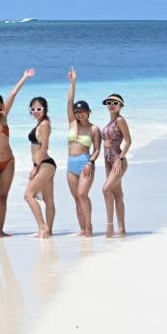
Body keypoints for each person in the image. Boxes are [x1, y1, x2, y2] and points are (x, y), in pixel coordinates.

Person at [0, 69, 35, 238]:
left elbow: (13, 93)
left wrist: (24, 76)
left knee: (3, 196)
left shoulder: (3, 117)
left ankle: (0, 230)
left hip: (9, 161)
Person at [65, 68, 101, 237]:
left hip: (85, 163)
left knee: (82, 194)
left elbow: (97, 150)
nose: (79, 114)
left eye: (82, 112)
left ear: (88, 112)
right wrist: (73, 82)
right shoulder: (72, 123)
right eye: (77, 112)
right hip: (70, 164)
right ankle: (82, 228)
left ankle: (89, 226)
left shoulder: (94, 129)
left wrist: (91, 163)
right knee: (76, 199)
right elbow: (69, 101)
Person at [23, 96, 56, 238]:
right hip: (45, 165)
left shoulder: (44, 125)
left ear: (45, 109)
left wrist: (36, 167)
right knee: (48, 200)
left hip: (44, 164)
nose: (36, 111)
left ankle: (42, 227)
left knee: (28, 195)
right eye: (33, 109)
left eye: (39, 109)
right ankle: (48, 230)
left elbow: (44, 147)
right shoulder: (40, 124)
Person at [101, 93, 132, 237]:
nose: (111, 104)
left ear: (120, 106)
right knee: (117, 195)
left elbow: (128, 141)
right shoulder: (109, 122)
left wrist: (120, 158)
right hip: (108, 161)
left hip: (118, 161)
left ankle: (110, 226)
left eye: (115, 102)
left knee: (105, 189)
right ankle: (122, 229)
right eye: (109, 102)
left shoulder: (120, 120)